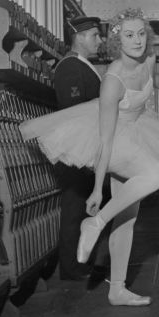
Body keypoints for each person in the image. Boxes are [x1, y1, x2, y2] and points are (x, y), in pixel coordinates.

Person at [21, 9, 159, 306]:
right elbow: (105, 139)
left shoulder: (149, 60)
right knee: (155, 175)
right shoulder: (113, 78)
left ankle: (117, 289)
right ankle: (95, 222)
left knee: (127, 219)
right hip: (114, 138)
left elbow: (154, 81)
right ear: (117, 42)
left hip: (140, 132)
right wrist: (98, 189)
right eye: (129, 35)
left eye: (141, 33)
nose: (137, 40)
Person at [53, 15, 111, 281]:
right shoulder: (70, 67)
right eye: (95, 35)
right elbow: (74, 112)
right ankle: (72, 269)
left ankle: (83, 262)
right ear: (80, 36)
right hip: (78, 150)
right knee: (75, 209)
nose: (99, 40)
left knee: (88, 207)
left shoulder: (84, 65)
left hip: (88, 148)